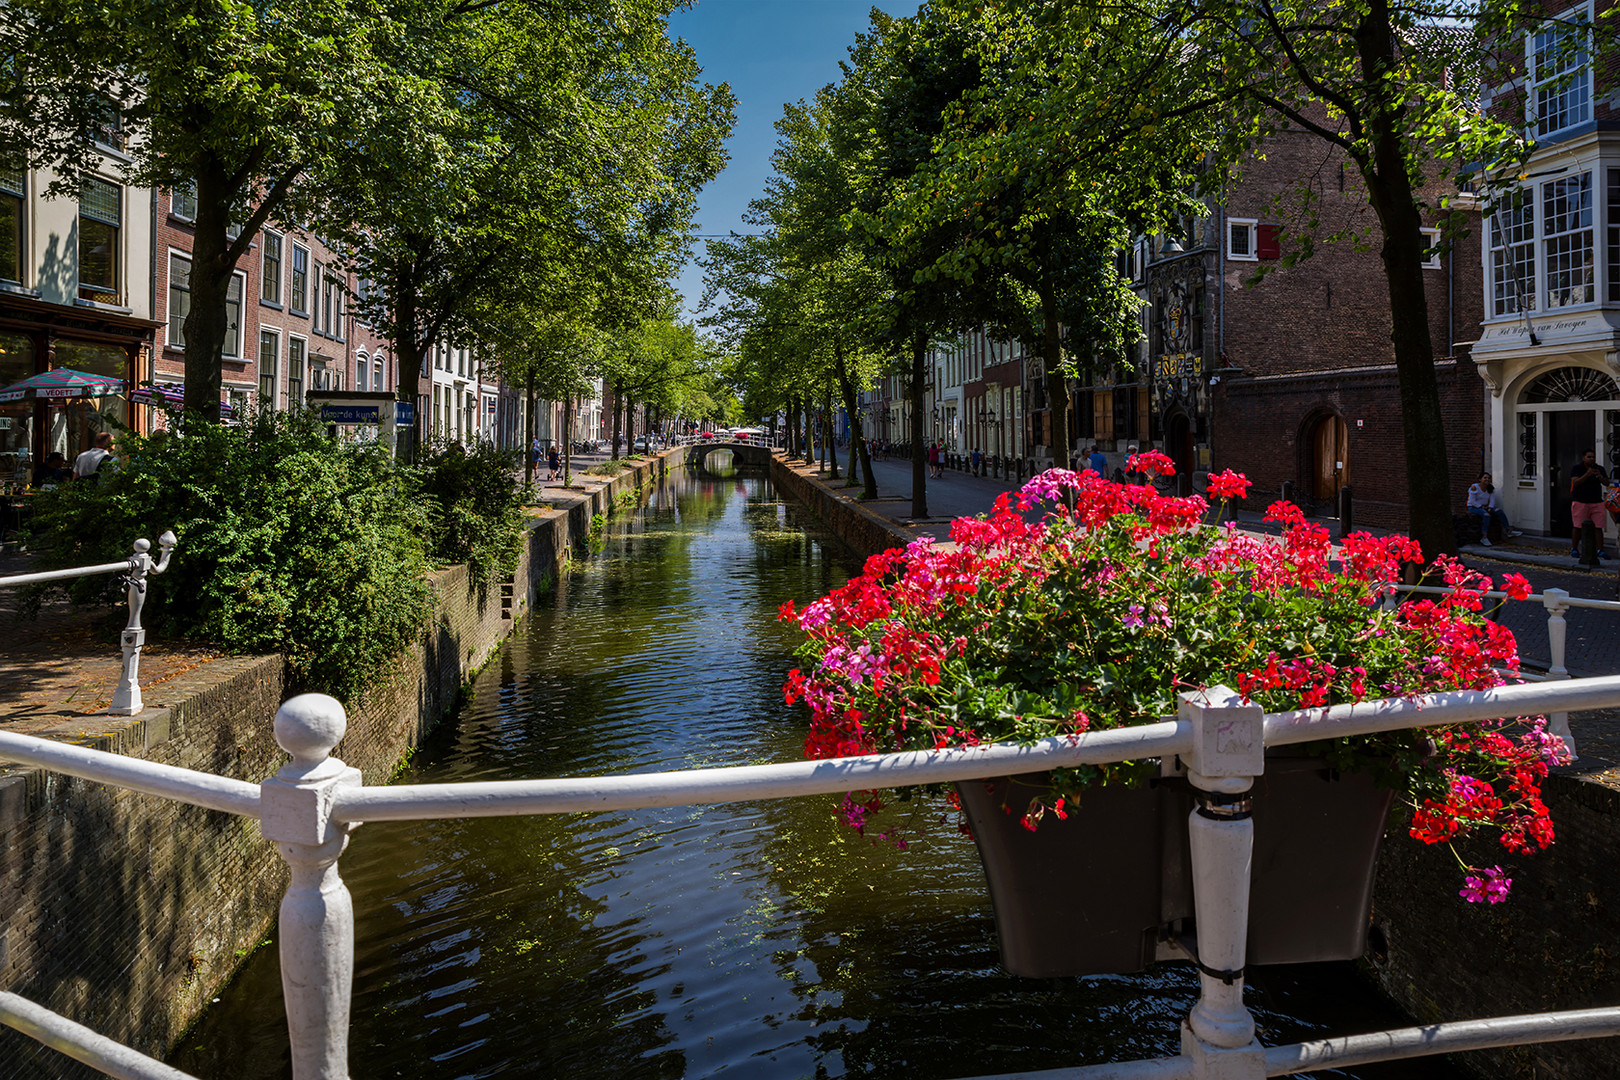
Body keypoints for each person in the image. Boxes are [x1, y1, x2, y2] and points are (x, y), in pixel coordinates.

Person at [1569, 449, 1610, 558]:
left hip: (1597, 501)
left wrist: (1600, 476)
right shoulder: (1577, 468)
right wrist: (1587, 474)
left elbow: (1607, 483)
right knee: (1578, 526)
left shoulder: (1599, 469)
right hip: (1580, 501)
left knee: (1598, 526)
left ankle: (1600, 550)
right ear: (1583, 458)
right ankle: (1574, 548)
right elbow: (1575, 482)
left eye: (1593, 457)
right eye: (1589, 457)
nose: (1592, 459)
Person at [1466, 471, 1518, 546]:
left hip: (1485, 506)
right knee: (1486, 515)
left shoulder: (1490, 488)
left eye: (1488, 478)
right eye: (1485, 478)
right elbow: (1472, 501)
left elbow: (1492, 499)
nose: (1487, 479)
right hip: (1474, 507)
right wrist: (1482, 507)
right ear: (1480, 479)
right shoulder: (1474, 487)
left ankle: (1507, 529)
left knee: (1499, 511)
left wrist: (1490, 507)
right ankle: (1484, 537)